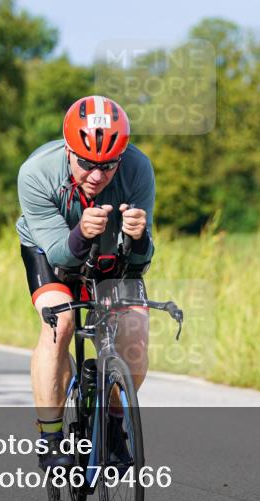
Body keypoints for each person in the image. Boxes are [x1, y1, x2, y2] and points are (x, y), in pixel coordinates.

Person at [16, 95, 155, 469]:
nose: (97, 176)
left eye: (108, 166)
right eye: (87, 164)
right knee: (59, 325)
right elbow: (61, 254)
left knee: (136, 331)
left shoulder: (139, 169)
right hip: (51, 253)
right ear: (67, 151)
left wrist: (139, 238)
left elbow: (141, 261)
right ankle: (51, 436)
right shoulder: (36, 173)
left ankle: (111, 427)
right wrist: (80, 233)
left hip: (112, 258)